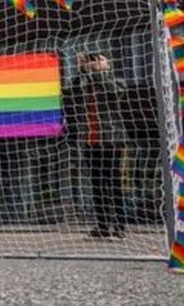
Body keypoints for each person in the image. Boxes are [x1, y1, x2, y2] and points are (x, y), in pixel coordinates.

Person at [71, 52, 127, 239]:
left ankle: (119, 225)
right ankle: (102, 225)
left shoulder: (117, 81)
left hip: (111, 140)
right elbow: (73, 89)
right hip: (91, 140)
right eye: (93, 60)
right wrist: (81, 69)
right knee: (96, 184)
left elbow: (111, 90)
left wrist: (96, 71)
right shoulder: (86, 84)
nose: (95, 63)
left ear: (108, 64)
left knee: (113, 182)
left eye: (99, 60)